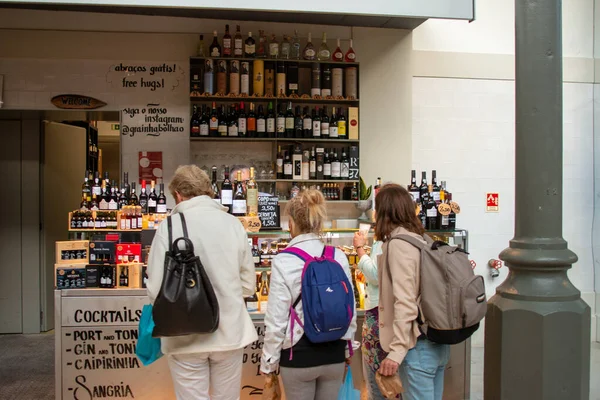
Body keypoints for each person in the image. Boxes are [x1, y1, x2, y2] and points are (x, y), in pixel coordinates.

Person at [146, 165, 258, 400]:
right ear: (208, 190)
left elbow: (156, 288)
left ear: (178, 194)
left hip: (184, 337)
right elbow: (249, 285)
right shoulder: (233, 224)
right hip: (229, 333)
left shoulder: (168, 227)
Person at [261, 189, 357, 399]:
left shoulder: (284, 260)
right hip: (334, 354)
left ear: (291, 224)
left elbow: (276, 320)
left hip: (298, 357)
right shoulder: (338, 256)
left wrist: (269, 363)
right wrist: (348, 348)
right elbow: (350, 307)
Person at [376, 184, 450, 400]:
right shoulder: (421, 240)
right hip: (437, 343)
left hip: (417, 347)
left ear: (384, 212)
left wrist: (396, 351)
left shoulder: (398, 244)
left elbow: (405, 302)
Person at [353, 230, 387, 400]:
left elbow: (374, 275)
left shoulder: (384, 240)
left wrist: (359, 248)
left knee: (377, 379)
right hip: (389, 313)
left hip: (378, 313)